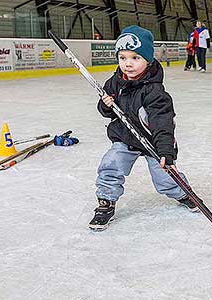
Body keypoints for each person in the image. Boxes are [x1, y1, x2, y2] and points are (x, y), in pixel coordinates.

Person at [89, 25, 197, 231]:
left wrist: (166, 152)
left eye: (135, 58)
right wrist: (105, 104)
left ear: (147, 60)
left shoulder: (155, 91)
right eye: (122, 58)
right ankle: (106, 201)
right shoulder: (115, 82)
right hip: (125, 137)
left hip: (152, 142)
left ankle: (183, 192)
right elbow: (106, 111)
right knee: (111, 164)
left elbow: (163, 123)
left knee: (164, 177)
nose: (127, 64)